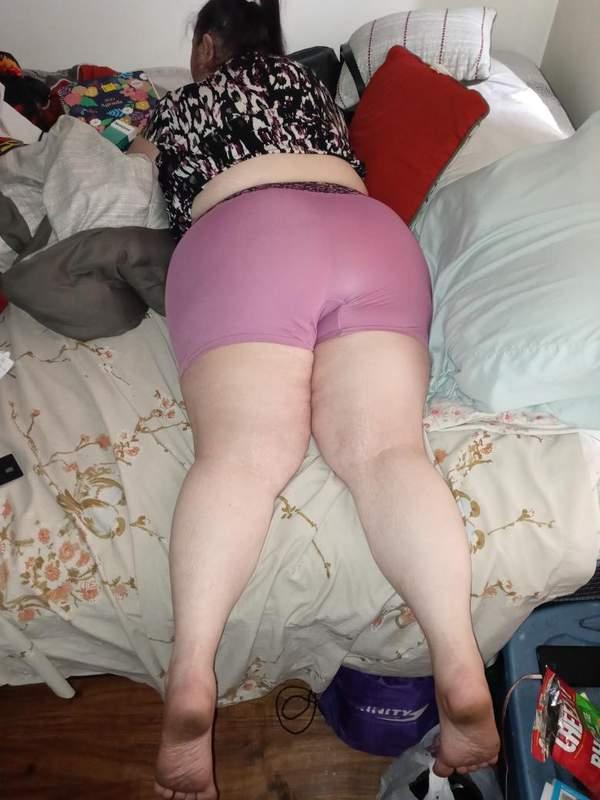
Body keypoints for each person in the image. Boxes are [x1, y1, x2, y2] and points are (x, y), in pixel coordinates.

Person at [130, 1, 501, 797]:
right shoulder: (313, 91)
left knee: (242, 458)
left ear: (207, 46)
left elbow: (129, 195)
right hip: (368, 236)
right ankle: (460, 665)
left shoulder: (180, 103)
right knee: (386, 453)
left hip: (248, 237)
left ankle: (192, 676)